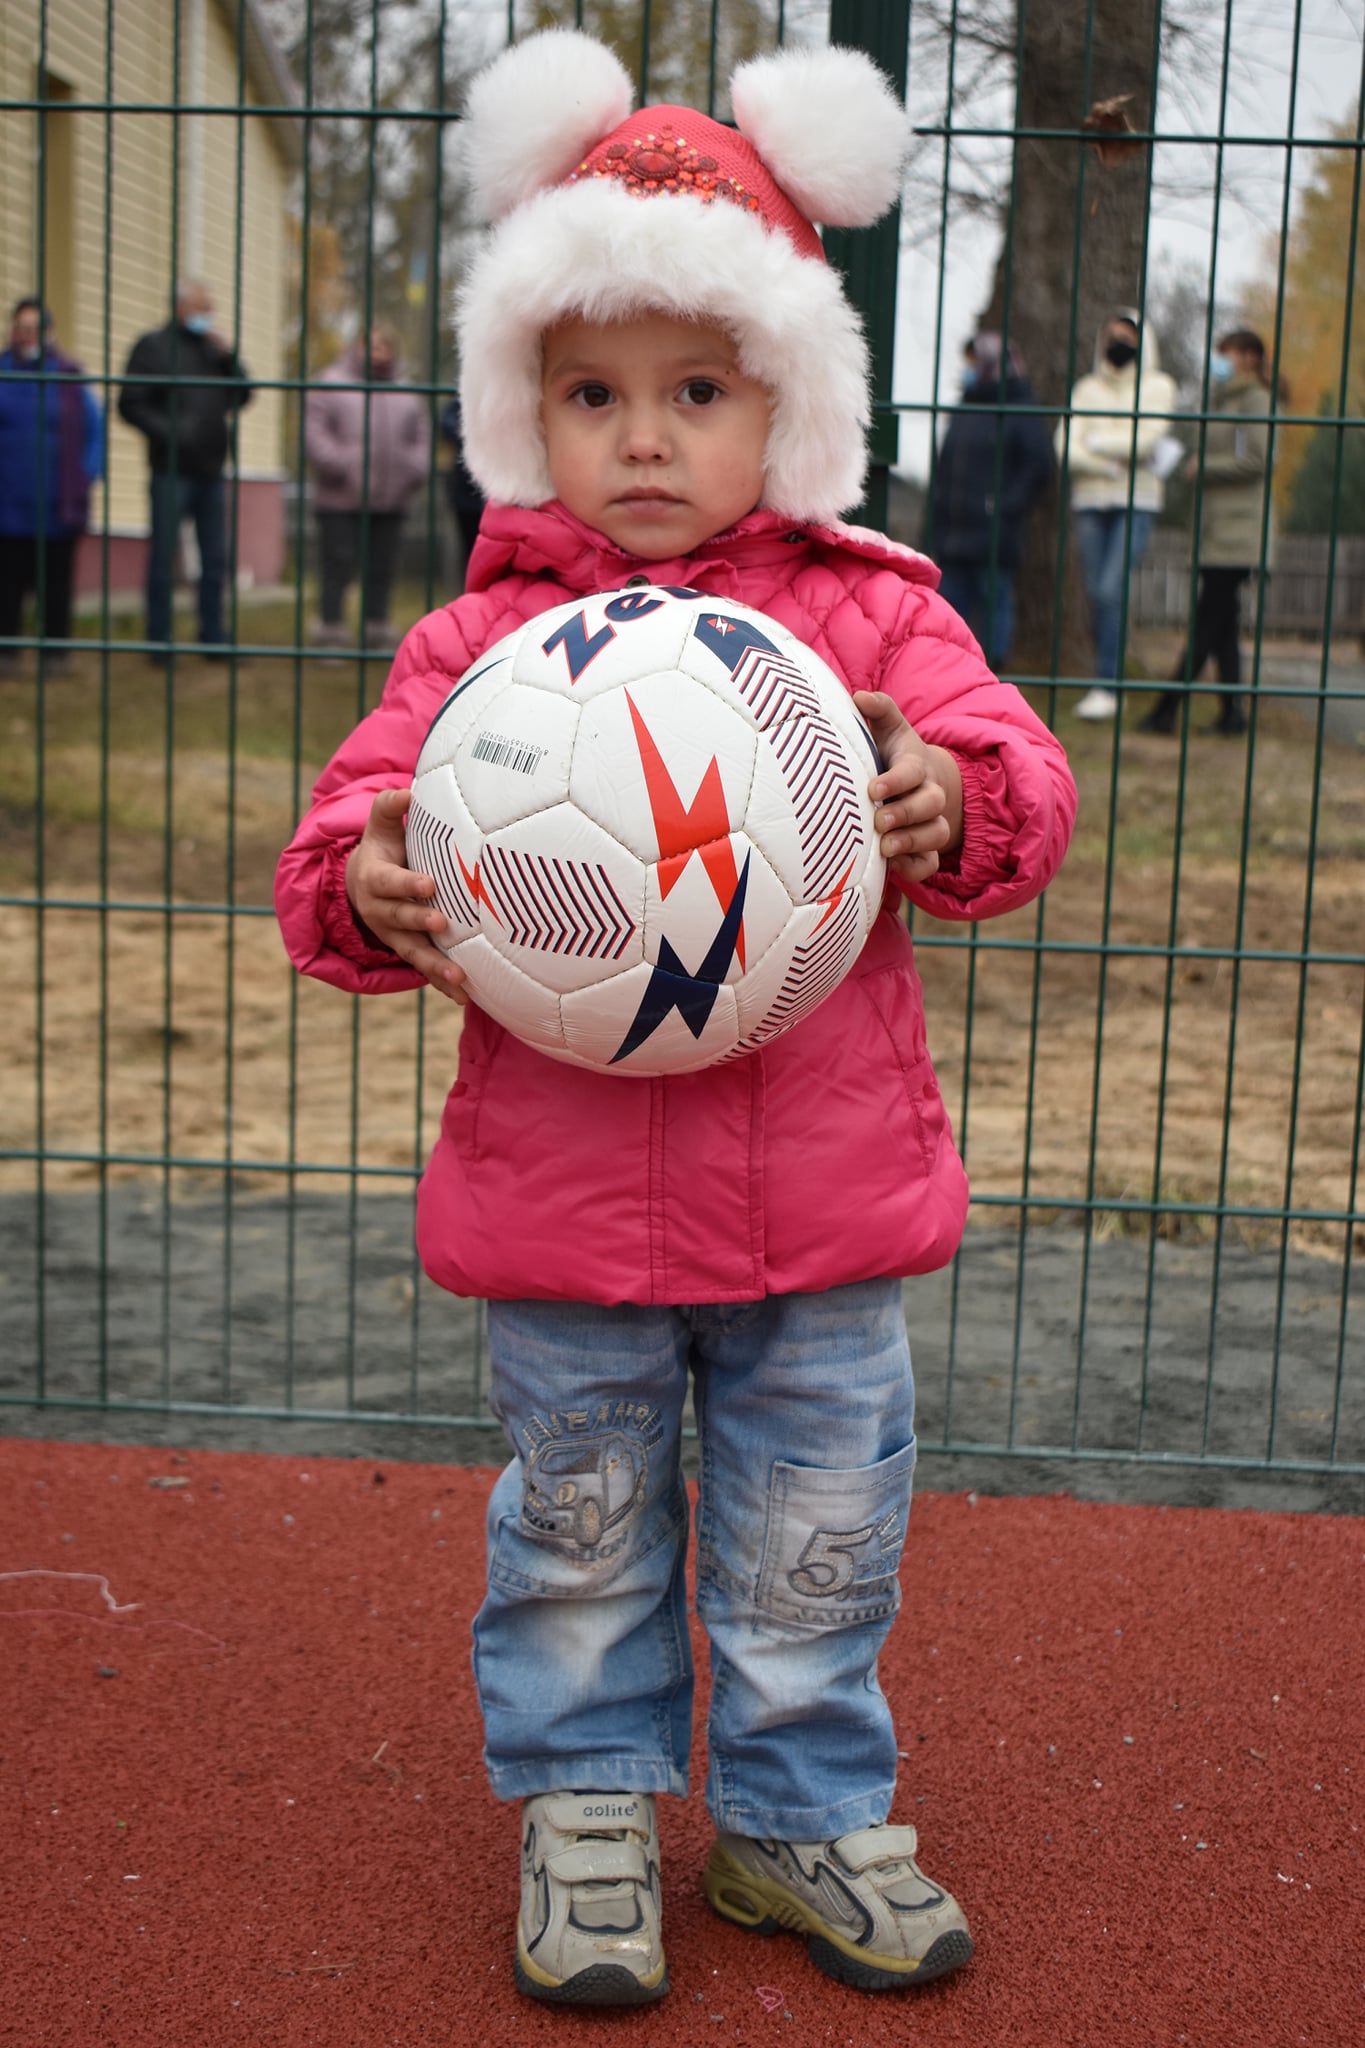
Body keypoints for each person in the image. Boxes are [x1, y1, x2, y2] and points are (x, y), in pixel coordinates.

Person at [275, 31, 1076, 2010]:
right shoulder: (478, 654)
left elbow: (1013, 779)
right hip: (567, 1231)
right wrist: (365, 885)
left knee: (817, 1543)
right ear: (522, 409)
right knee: (576, 1537)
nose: (641, 437)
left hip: (822, 1220)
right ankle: (591, 1808)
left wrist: (945, 794)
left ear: (785, 404)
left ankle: (799, 1818)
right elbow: (338, 842)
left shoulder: (866, 620)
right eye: (591, 392)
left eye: (694, 392)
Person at [1138, 329, 1280, 738]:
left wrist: (1205, 467)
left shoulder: (1255, 401)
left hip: (1238, 532)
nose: (1222, 360)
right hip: (1218, 529)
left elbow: (1258, 458)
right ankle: (1233, 715)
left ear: (1250, 357)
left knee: (1207, 623)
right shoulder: (1223, 400)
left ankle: (1166, 708)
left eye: (1229, 353)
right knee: (1223, 628)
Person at [118, 279, 252, 661]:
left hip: (211, 471)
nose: (206, 314)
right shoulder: (154, 347)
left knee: (215, 559)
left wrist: (229, 357)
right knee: (164, 557)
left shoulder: (213, 351)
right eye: (200, 306)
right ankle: (158, 642)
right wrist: (171, 431)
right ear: (180, 307)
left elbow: (243, 394)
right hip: (170, 471)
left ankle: (213, 637)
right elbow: (130, 402)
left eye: (209, 307)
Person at [1057, 307, 1176, 720]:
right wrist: (1110, 459)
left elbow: (1148, 441)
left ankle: (1108, 682)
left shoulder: (1158, 386)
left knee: (1111, 589)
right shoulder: (1086, 388)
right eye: (1113, 334)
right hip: (1091, 499)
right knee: (1097, 593)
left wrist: (1096, 441)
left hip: (1136, 500)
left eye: (1128, 335)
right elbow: (1065, 444)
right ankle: (1103, 678)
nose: (1118, 342)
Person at [924, 330, 1052, 669]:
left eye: (973, 360)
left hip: (994, 535)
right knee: (948, 613)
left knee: (995, 607)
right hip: (953, 534)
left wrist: (1004, 505)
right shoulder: (966, 405)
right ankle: (948, 672)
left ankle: (992, 673)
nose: (967, 368)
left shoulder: (1019, 407)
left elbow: (1038, 464)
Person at [304, 324, 432, 648]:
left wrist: (411, 469)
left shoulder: (406, 391)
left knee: (382, 566)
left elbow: (422, 439)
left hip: (392, 498)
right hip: (340, 497)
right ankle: (330, 629)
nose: (377, 351)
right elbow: (315, 437)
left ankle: (377, 628)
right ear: (355, 347)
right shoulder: (330, 384)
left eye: (383, 345)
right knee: (338, 564)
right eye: (369, 344)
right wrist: (345, 465)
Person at [0, 299, 104, 678]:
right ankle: (6, 652)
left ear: (49, 333)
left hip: (57, 503)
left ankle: (55, 654)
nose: (24, 334)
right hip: (7, 503)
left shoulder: (69, 376)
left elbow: (95, 430)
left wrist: (86, 474)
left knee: (56, 582)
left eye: (33, 327)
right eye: (19, 326)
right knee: (6, 582)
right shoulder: (2, 371)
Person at [437, 390, 487, 577]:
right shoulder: (468, 393)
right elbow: (447, 422)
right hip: (466, 491)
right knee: (471, 551)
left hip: (504, 493)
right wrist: (474, 432)